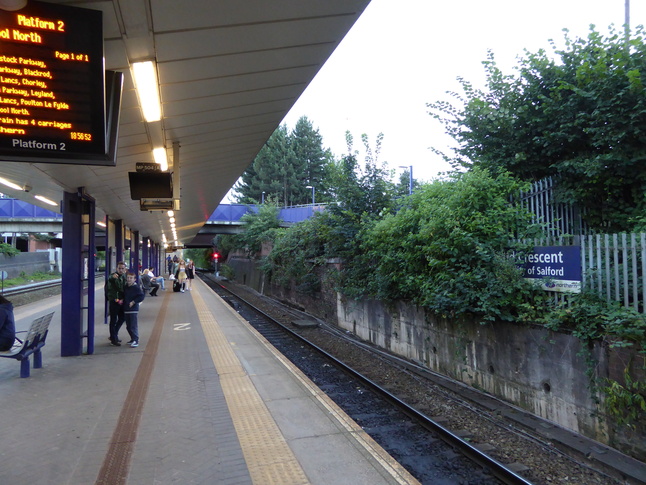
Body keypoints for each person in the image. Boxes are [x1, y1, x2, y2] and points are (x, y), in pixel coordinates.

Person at [106, 261, 127, 346]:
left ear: (125, 269)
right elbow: (119, 287)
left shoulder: (123, 277)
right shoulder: (113, 276)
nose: (121, 270)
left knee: (122, 318)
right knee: (113, 320)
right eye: (119, 268)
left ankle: (114, 334)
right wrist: (115, 278)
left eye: (122, 268)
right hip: (114, 301)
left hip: (121, 301)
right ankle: (114, 339)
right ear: (116, 268)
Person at [123, 271, 145, 347]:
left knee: (133, 325)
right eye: (128, 278)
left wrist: (134, 302)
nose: (129, 279)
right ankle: (132, 338)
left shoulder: (136, 287)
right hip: (126, 308)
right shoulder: (126, 287)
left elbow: (141, 296)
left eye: (131, 278)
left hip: (133, 309)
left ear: (134, 279)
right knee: (128, 326)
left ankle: (136, 340)